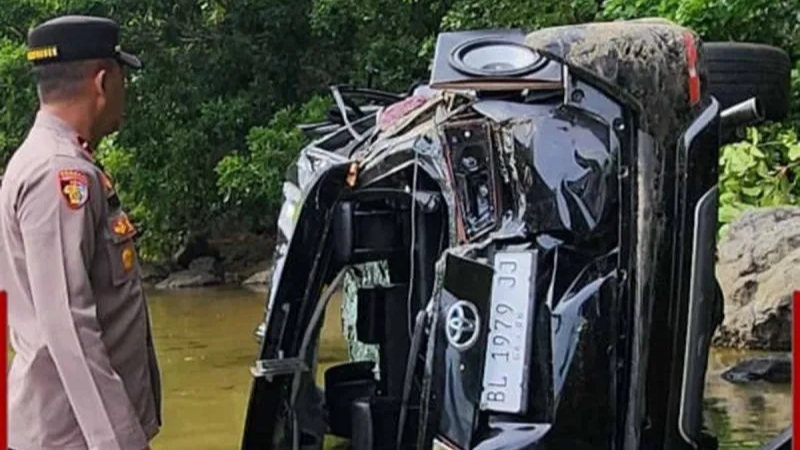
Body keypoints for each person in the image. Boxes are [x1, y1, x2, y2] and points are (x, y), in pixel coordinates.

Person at [0, 15, 161, 450]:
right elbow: (68, 326)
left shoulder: (56, 161)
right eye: (123, 77)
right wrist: (121, 443)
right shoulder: (59, 174)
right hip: (73, 439)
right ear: (103, 81)